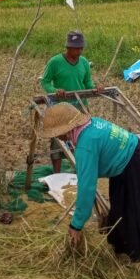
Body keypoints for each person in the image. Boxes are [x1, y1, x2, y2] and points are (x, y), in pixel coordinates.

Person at [40, 103, 140, 279]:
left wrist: (76, 225)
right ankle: (121, 257)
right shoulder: (90, 125)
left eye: (57, 134)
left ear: (63, 131)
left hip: (138, 167)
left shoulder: (85, 145)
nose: (57, 137)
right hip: (128, 164)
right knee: (119, 213)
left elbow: (87, 188)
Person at [40, 30, 97, 173]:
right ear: (68, 47)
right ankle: (57, 174)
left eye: (81, 48)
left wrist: (94, 88)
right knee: (57, 141)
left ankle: (80, 170)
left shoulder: (83, 62)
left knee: (82, 138)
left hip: (79, 106)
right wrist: (55, 90)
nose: (79, 51)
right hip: (61, 108)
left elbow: (87, 81)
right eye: (76, 48)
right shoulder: (55, 62)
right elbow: (45, 82)